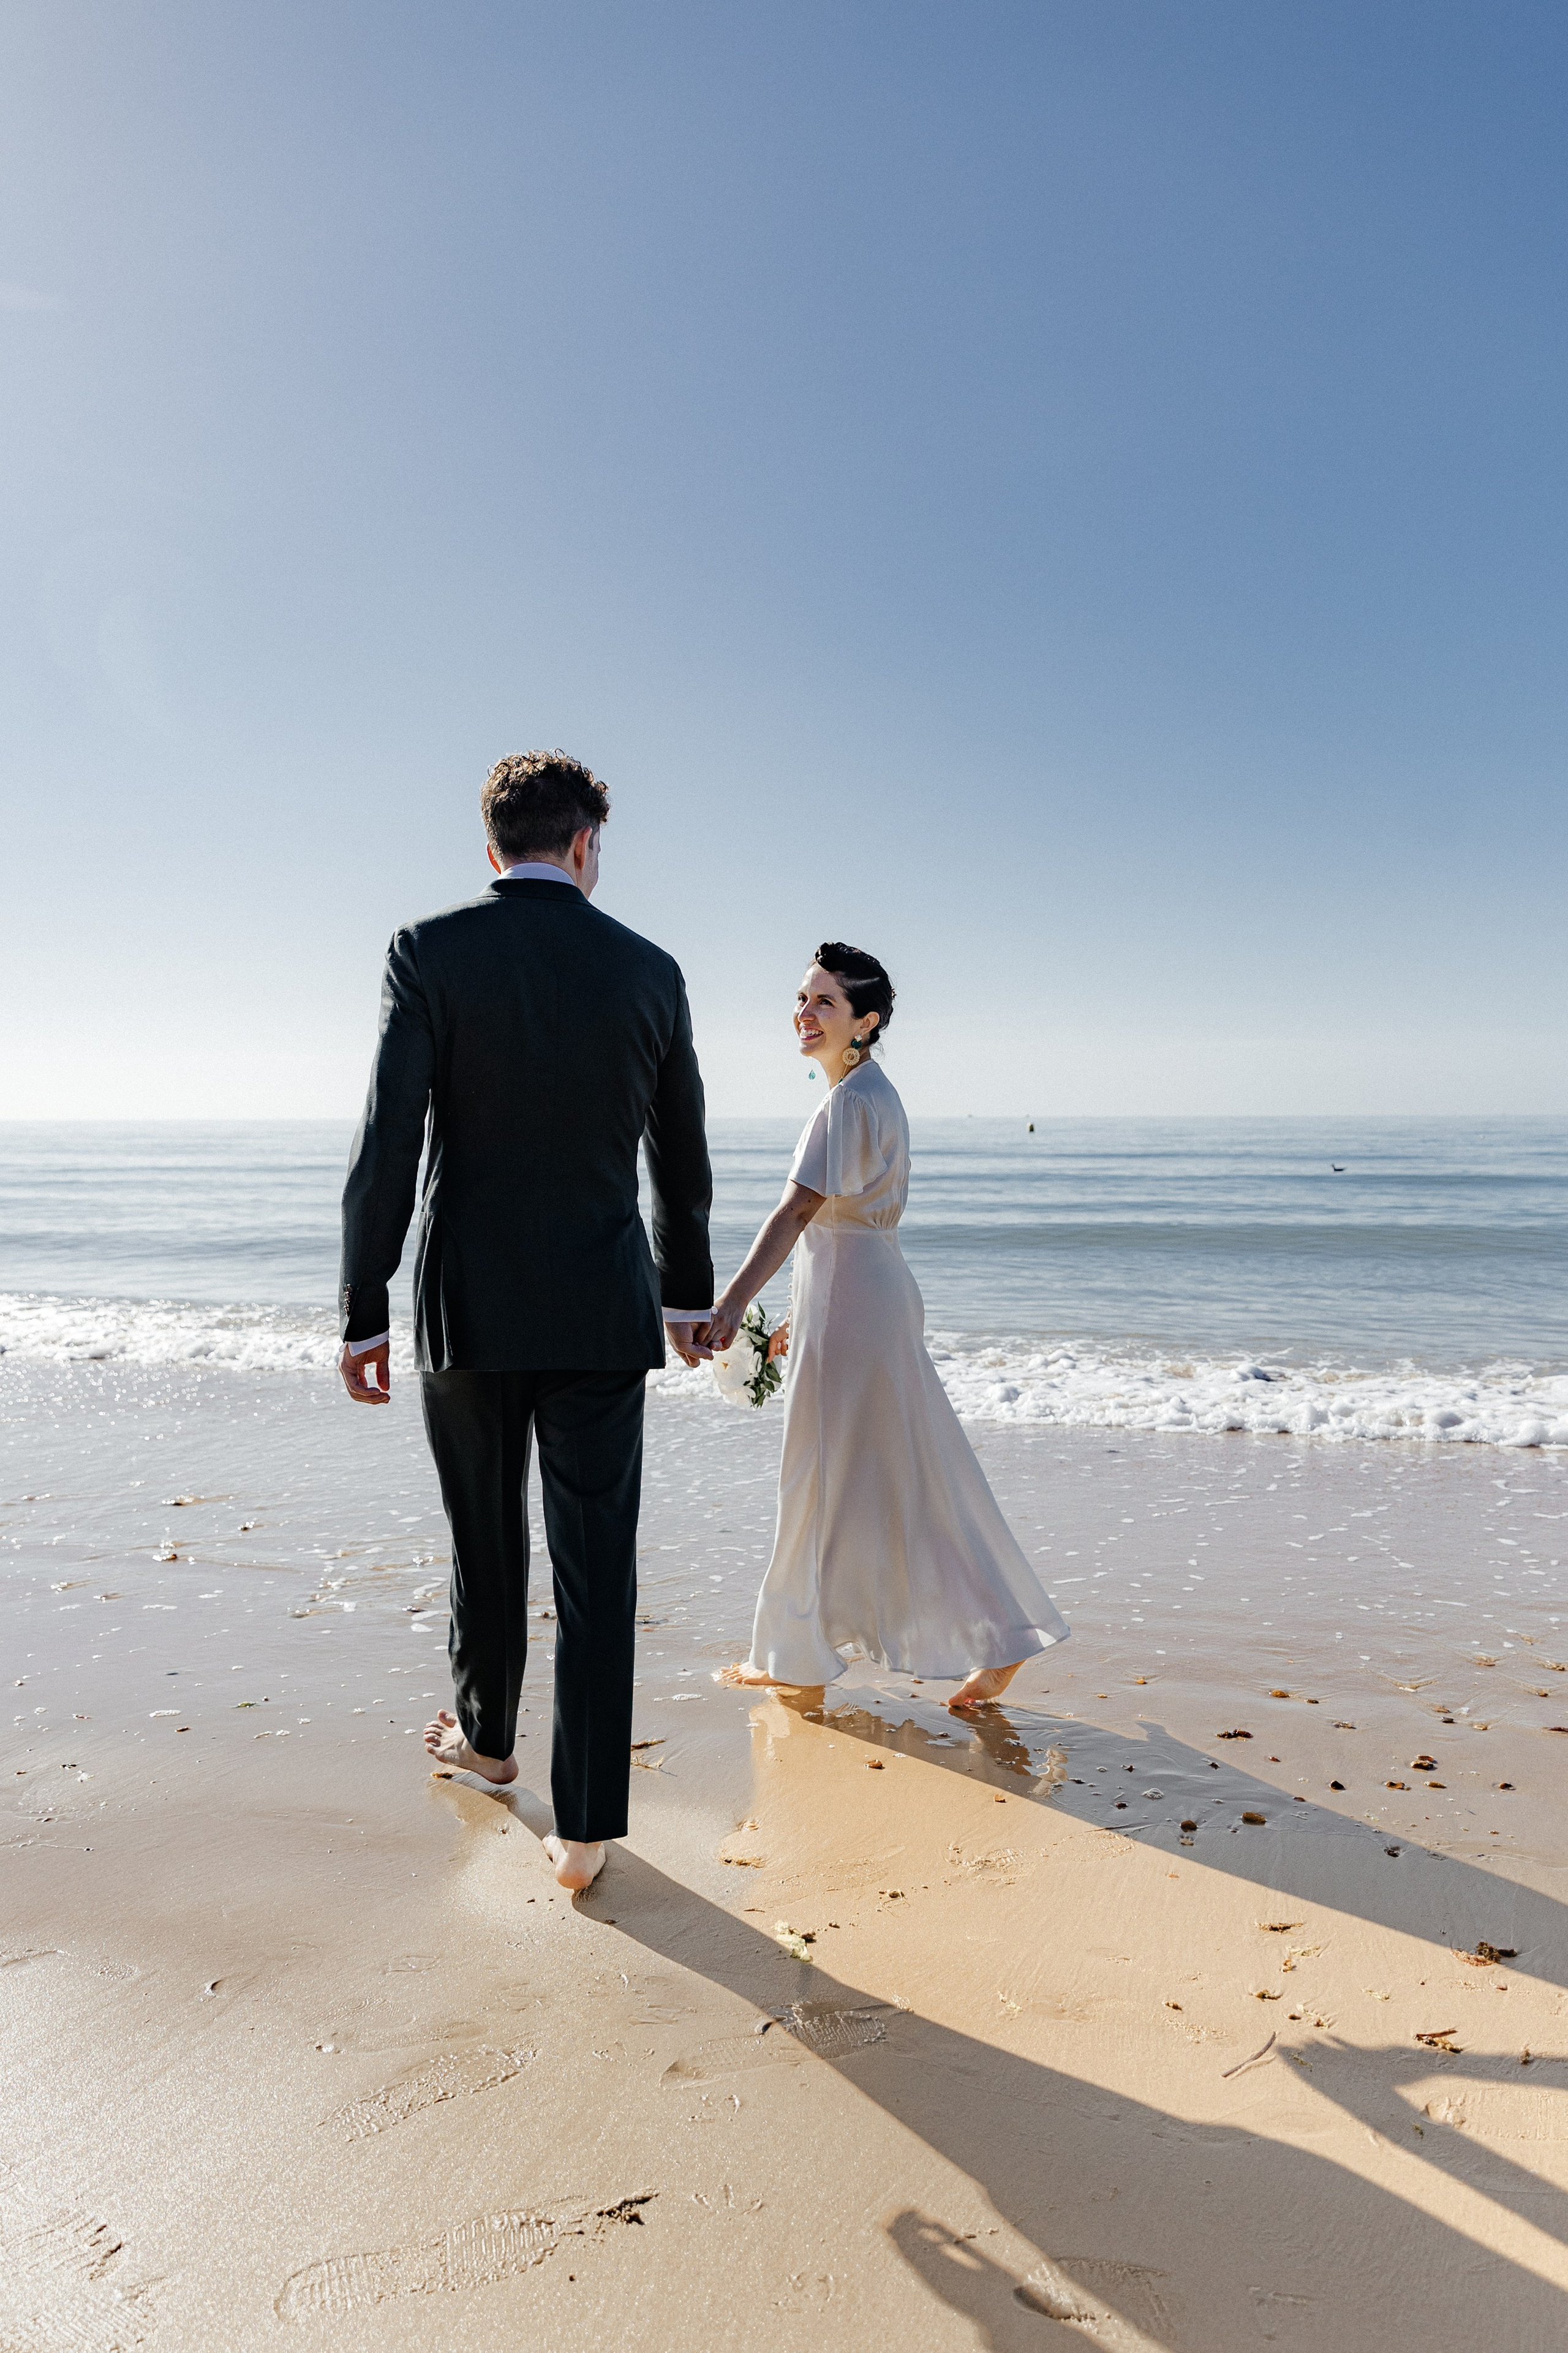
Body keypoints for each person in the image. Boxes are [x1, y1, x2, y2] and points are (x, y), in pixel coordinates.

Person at [336, 751, 714, 1892]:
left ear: (492, 845)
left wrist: (363, 1309)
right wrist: (687, 1295)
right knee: (600, 1559)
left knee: (483, 1535)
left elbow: (388, 1139)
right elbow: (682, 1162)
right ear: (586, 844)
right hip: (604, 1303)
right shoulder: (651, 971)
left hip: (469, 1300)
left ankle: (490, 1748)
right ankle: (587, 1826)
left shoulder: (431, 949)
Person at [703, 943, 1068, 1707]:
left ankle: (797, 1652)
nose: (805, 1014)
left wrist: (731, 1303)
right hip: (861, 1294)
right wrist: (796, 1318)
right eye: (802, 999)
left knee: (825, 1475)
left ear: (864, 1022)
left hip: (855, 1302)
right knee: (899, 1476)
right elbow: (839, 1226)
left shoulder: (849, 1101)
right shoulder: (873, 1093)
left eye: (824, 1003)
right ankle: (991, 1636)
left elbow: (799, 1211)